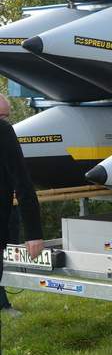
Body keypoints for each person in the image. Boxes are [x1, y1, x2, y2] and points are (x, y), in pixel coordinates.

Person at [0, 94, 44, 321]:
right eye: (4, 116)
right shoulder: (4, 131)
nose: (7, 121)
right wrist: (34, 233)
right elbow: (23, 183)